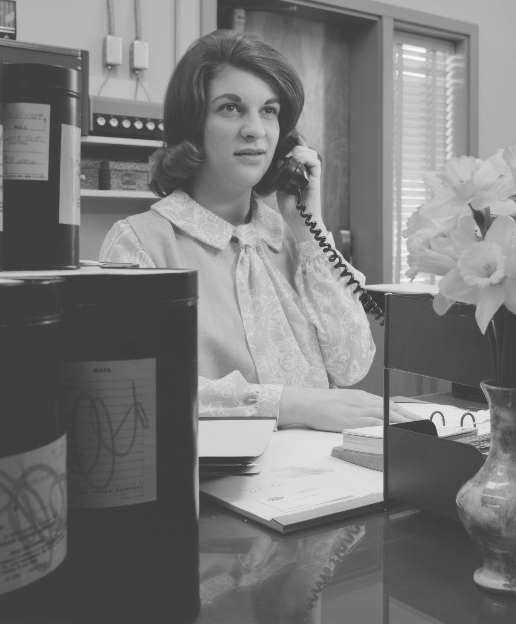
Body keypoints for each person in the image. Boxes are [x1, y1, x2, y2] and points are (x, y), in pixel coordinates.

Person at [100, 30, 419, 432]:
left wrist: (311, 231)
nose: (256, 130)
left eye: (269, 111)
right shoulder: (140, 244)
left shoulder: (294, 241)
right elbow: (138, 390)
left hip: (322, 475)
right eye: (231, 108)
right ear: (193, 124)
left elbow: (351, 363)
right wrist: (289, 404)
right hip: (217, 483)